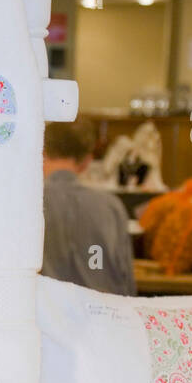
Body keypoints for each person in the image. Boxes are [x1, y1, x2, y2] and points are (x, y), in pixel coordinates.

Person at [42, 119, 136, 295]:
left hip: (45, 317)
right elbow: (127, 283)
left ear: (42, 152)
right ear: (87, 160)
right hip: (105, 316)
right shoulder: (111, 207)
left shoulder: (25, 205)